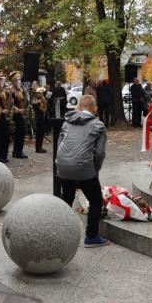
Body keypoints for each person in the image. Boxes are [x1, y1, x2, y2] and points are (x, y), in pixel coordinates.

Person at [56, 95, 109, 247]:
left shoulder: (67, 123)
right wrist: (95, 169)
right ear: (95, 109)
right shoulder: (98, 125)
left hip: (63, 166)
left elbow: (60, 144)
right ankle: (92, 237)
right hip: (84, 167)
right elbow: (99, 153)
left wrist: (60, 164)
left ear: (78, 107)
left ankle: (58, 232)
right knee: (96, 199)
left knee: (67, 197)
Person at [9, 71, 28, 159]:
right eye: (17, 80)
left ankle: (17, 151)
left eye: (19, 80)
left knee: (21, 132)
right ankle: (18, 152)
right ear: (13, 81)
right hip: (16, 113)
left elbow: (24, 101)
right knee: (20, 132)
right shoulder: (11, 91)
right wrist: (18, 110)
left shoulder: (21, 90)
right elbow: (10, 104)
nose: (19, 82)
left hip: (21, 113)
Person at [31, 87, 47, 153]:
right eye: (39, 93)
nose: (41, 93)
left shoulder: (40, 99)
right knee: (39, 134)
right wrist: (41, 102)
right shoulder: (35, 100)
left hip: (41, 117)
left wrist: (44, 102)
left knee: (41, 133)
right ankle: (38, 148)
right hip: (38, 118)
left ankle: (40, 147)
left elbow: (44, 108)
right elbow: (38, 108)